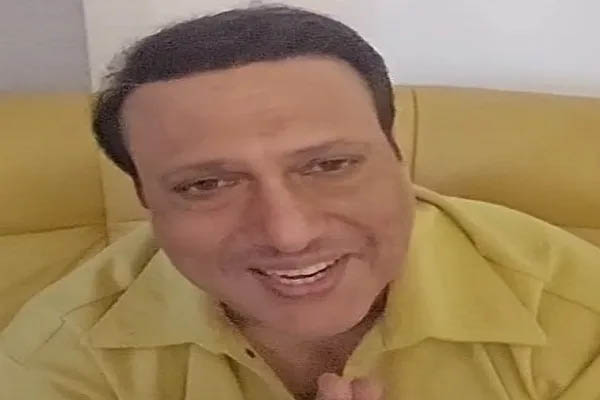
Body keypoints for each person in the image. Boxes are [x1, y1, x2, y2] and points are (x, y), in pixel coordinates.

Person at [1, 5, 599, 400]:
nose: (289, 234)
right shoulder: (60, 355)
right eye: (206, 185)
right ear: (146, 199)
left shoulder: (579, 315)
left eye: (329, 166)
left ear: (397, 156)